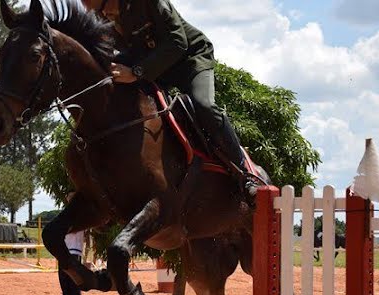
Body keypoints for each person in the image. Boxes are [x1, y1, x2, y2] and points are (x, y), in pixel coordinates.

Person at [87, 0, 257, 196]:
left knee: (204, 105)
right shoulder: (100, 15)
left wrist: (136, 72)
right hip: (155, 66)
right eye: (98, 9)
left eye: (104, 5)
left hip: (190, 59)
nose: (103, 13)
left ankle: (245, 174)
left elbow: (178, 42)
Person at [56, 194, 84, 295]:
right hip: (64, 251)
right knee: (64, 281)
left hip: (74, 251)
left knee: (74, 282)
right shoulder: (68, 214)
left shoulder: (80, 215)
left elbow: (70, 229)